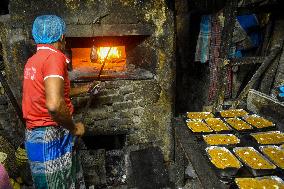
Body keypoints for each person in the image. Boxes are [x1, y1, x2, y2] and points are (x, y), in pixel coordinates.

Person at [22, 15, 96, 188]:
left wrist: (85, 89)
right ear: (62, 36)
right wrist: (74, 127)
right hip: (51, 134)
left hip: (35, 135)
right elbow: (54, 105)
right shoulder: (55, 57)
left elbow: (46, 95)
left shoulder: (32, 61)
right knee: (59, 183)